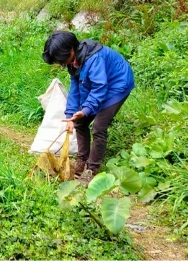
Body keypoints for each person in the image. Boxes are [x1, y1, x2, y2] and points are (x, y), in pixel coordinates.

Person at [42, 31, 134, 183]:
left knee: (99, 126)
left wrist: (85, 110)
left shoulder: (94, 59)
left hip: (118, 85)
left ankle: (92, 168)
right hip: (101, 85)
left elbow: (99, 87)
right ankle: (82, 159)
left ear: (71, 49)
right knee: (80, 121)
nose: (61, 64)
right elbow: (75, 88)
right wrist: (71, 115)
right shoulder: (73, 61)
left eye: (61, 59)